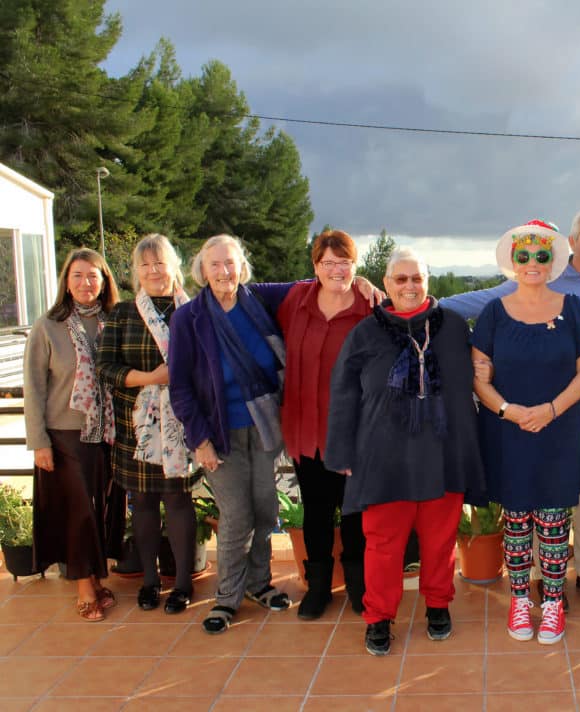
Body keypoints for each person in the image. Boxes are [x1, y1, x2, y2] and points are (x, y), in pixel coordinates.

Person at [443, 208, 580, 609]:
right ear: (571, 242)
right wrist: (424, 301)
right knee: (534, 491)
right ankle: (539, 577)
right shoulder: (541, 271)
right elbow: (475, 307)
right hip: (537, 410)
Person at [324, 247, 484, 656]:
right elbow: (343, 394)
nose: (410, 286)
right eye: (401, 279)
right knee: (382, 545)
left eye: (417, 279)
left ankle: (437, 606)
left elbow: (473, 381)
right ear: (387, 284)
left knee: (440, 541)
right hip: (383, 457)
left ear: (428, 282)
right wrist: (341, 454)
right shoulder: (365, 331)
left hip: (441, 453)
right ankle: (378, 617)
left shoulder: (451, 326)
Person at [471, 220, 580, 644]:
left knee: (553, 521)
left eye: (541, 255)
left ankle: (554, 604)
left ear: (552, 261)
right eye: (523, 255)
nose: (532, 263)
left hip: (559, 432)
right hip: (509, 432)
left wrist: (550, 410)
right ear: (512, 260)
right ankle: (521, 601)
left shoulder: (572, 307)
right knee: (517, 520)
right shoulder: (492, 312)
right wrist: (509, 411)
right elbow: (478, 377)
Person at [169, 234, 294, 634]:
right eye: (215, 265)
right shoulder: (189, 319)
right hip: (218, 433)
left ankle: (259, 584)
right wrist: (199, 440)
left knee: (265, 511)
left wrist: (358, 280)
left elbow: (311, 284)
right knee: (237, 515)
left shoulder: (258, 301)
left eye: (231, 263)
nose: (225, 272)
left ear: (243, 266)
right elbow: (181, 387)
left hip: (263, 427)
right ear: (202, 272)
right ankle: (227, 598)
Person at [97, 234, 201, 615]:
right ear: (135, 271)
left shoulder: (193, 311)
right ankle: (150, 581)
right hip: (137, 429)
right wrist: (150, 378)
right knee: (141, 503)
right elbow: (105, 369)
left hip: (182, 426)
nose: (154, 271)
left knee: (178, 502)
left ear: (174, 265)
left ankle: (184, 583)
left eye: (160, 263)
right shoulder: (123, 313)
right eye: (145, 264)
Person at [277, 229, 373, 620]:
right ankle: (317, 590)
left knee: (355, 515)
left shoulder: (370, 308)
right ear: (315, 266)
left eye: (344, 262)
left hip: (355, 434)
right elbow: (247, 288)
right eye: (327, 263)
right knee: (316, 512)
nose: (336, 270)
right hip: (306, 430)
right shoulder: (296, 300)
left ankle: (358, 588)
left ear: (356, 265)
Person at [24, 248, 124, 621]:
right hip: (63, 434)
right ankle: (84, 585)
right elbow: (33, 386)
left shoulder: (114, 321)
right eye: (78, 275)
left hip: (105, 434)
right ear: (66, 281)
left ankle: (97, 579)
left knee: (97, 508)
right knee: (79, 509)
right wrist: (38, 442)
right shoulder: (47, 326)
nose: (86, 283)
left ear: (104, 281)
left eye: (93, 275)